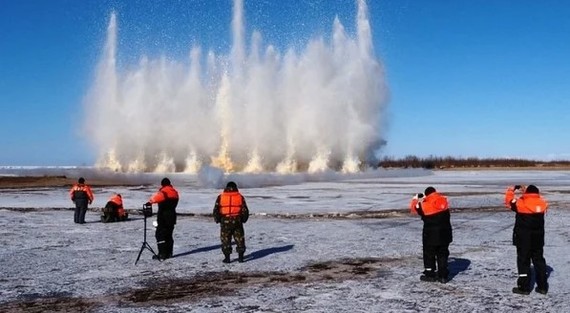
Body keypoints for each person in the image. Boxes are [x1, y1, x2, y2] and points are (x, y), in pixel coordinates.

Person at [504, 184, 549, 295]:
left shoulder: (520, 204)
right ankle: (543, 286)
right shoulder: (543, 204)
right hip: (538, 238)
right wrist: (527, 193)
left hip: (523, 239)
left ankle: (524, 287)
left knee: (523, 262)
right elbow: (535, 199)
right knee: (539, 261)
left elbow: (509, 201)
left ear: (526, 194)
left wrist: (511, 190)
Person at [409, 186, 453, 283]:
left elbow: (414, 208)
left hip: (431, 235)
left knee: (429, 254)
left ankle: (430, 274)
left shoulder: (425, 205)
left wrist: (416, 199)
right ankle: (443, 276)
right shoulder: (443, 201)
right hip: (445, 234)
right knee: (442, 254)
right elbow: (434, 203)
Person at [213, 181, 250, 263]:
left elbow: (216, 209)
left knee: (226, 240)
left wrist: (217, 219)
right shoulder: (240, 197)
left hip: (225, 221)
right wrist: (243, 219)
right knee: (240, 239)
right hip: (237, 221)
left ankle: (227, 258)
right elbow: (245, 210)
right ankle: (241, 257)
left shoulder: (221, 197)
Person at [145, 177, 179, 260]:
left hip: (163, 217)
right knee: (169, 235)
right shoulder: (175, 192)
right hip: (172, 216)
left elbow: (154, 199)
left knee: (160, 235)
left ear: (162, 184)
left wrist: (149, 202)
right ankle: (169, 253)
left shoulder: (163, 192)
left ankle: (162, 254)